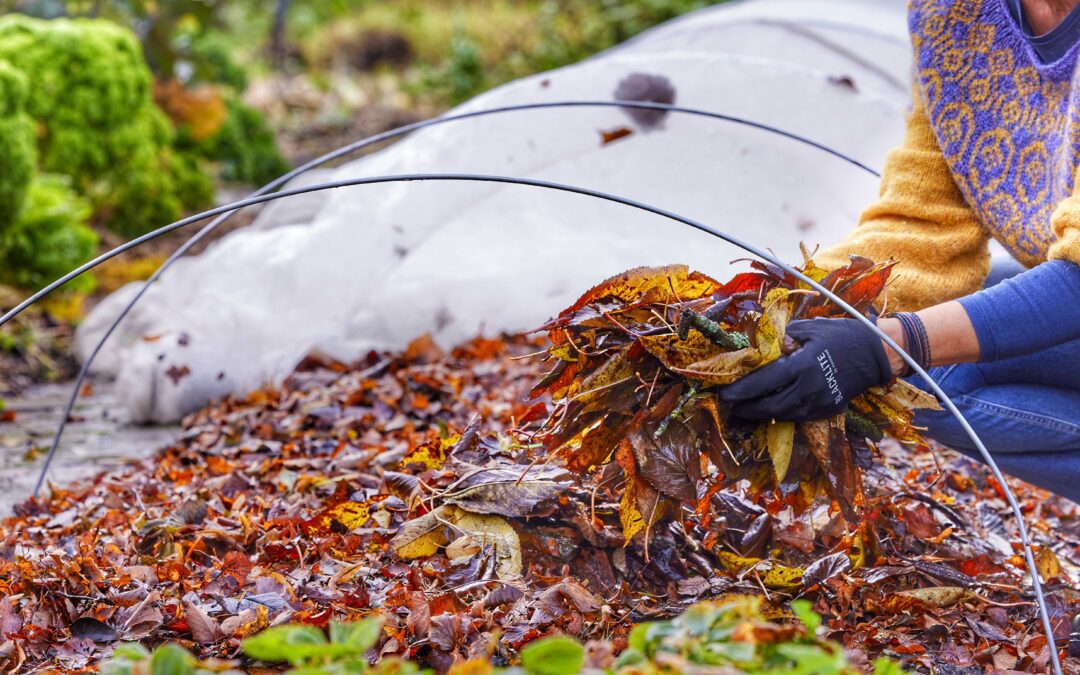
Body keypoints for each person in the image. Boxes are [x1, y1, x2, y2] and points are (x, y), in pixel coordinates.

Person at [719, 0, 1080, 502]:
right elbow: (922, 221)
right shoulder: (957, 15)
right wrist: (781, 306)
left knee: (913, 351)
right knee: (922, 379)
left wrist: (885, 346)